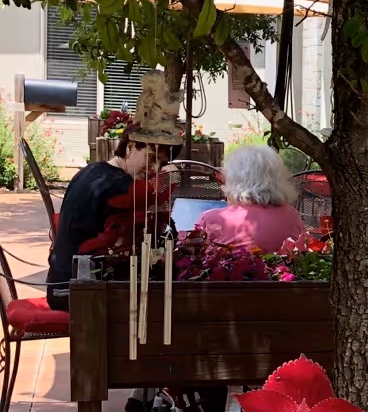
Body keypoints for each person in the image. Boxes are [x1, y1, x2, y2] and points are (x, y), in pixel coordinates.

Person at [47, 73, 183, 310]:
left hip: (63, 283)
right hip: (78, 294)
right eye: (151, 158)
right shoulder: (119, 186)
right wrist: (169, 180)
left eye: (162, 163)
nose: (155, 169)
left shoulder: (93, 170)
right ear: (130, 148)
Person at [195, 144, 305, 253]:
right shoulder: (292, 217)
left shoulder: (211, 220)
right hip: (280, 265)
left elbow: (193, 257)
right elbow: (302, 256)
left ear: (233, 179)